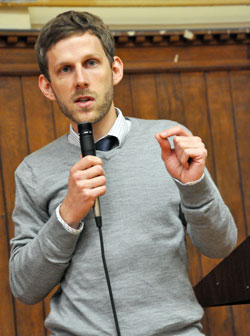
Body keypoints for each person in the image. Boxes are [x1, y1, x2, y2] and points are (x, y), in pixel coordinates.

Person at [9, 11, 237, 336]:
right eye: (65, 69)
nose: (80, 80)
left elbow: (221, 245)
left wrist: (195, 187)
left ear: (115, 69)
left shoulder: (171, 142)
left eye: (91, 63)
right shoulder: (32, 171)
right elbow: (24, 288)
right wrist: (66, 216)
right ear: (47, 86)